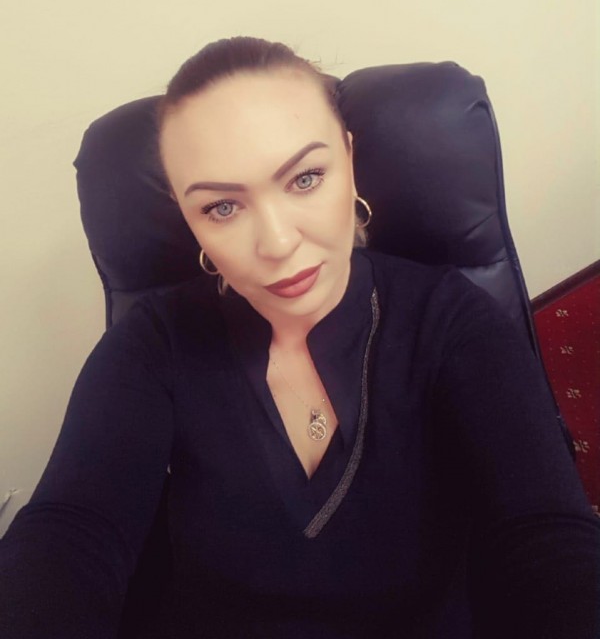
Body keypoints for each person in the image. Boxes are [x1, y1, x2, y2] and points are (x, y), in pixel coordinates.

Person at [1, 37, 599, 639]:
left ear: (349, 158)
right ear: (187, 217)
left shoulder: (451, 319)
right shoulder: (155, 343)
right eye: (222, 208)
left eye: (306, 178)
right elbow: (71, 532)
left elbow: (547, 535)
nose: (278, 243)